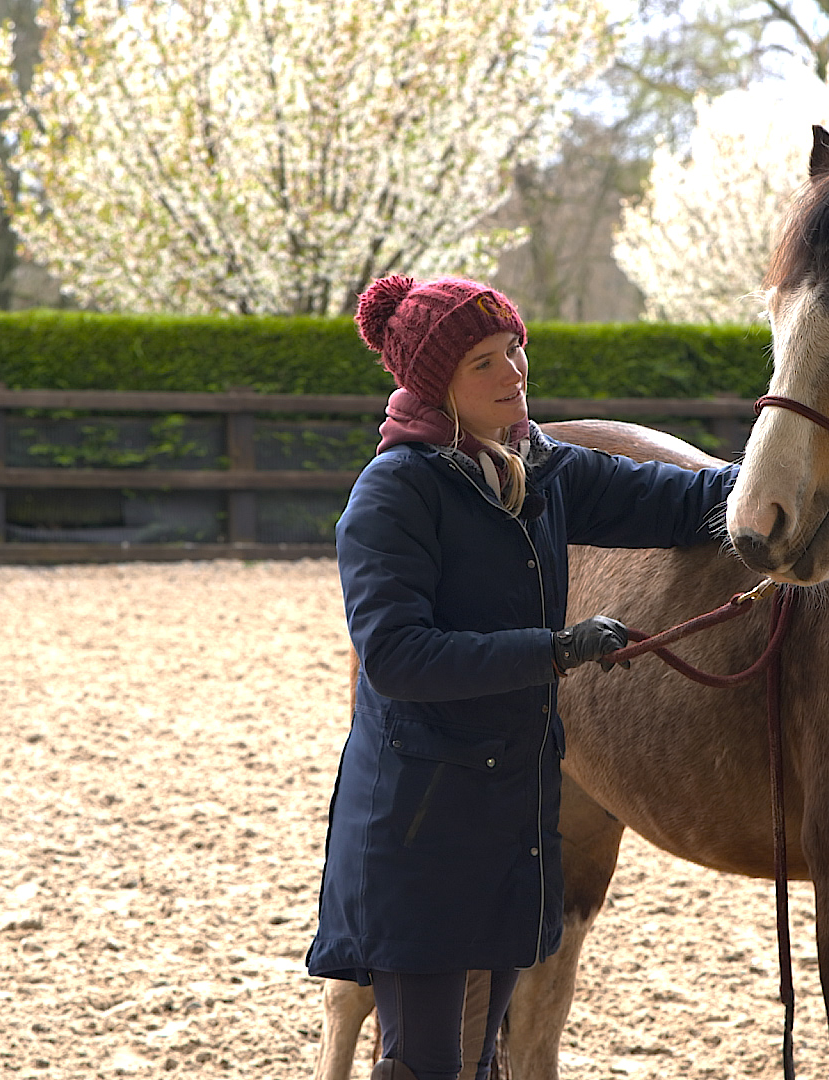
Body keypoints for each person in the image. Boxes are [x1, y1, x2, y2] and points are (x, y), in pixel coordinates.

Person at [307, 275, 737, 1080]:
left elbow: (684, 501)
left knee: (480, 1062)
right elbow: (397, 657)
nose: (513, 375)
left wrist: (802, 478)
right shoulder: (391, 495)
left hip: (510, 818)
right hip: (419, 827)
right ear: (436, 385)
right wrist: (554, 649)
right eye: (483, 363)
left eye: (515, 351)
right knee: (424, 1064)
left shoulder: (539, 466)